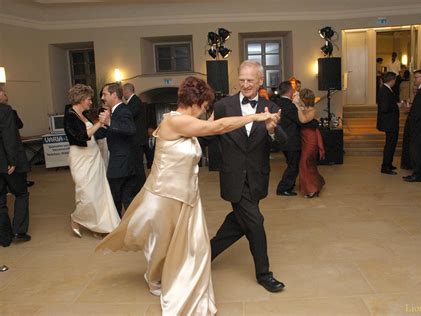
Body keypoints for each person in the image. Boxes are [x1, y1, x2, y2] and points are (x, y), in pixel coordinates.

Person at [96, 76, 277, 315]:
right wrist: (255, 116)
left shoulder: (188, 122)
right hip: (165, 197)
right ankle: (156, 279)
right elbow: (217, 127)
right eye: (204, 106)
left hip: (187, 197)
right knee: (162, 246)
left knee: (194, 248)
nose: (205, 112)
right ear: (196, 102)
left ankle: (185, 281)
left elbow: (213, 123)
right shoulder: (174, 121)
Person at [202, 60, 287, 293]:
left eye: (250, 80)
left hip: (257, 177)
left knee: (237, 223)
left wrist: (271, 130)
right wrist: (184, 130)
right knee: (255, 222)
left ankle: (203, 257)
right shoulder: (222, 106)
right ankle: (264, 274)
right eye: (242, 80)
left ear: (260, 81)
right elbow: (207, 135)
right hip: (233, 177)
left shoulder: (271, 106)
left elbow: (285, 142)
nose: (245, 84)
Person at [64, 84, 120, 237]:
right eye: (88, 99)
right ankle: (76, 217)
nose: (90, 102)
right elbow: (83, 135)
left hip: (94, 155)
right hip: (80, 158)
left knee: (99, 193)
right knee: (86, 194)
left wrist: (109, 125)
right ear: (81, 99)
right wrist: (100, 123)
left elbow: (98, 133)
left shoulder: (86, 114)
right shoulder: (69, 116)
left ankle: (98, 227)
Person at [96, 83, 136, 217]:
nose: (102, 97)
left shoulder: (123, 110)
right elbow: (105, 132)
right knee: (123, 198)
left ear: (114, 95)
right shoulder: (114, 111)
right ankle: (125, 229)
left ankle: (119, 228)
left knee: (117, 198)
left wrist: (109, 122)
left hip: (121, 163)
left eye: (105, 94)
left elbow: (130, 129)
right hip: (121, 162)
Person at [0, 101, 30, 246]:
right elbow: (8, 135)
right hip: (8, 163)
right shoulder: (5, 110)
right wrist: (12, 160)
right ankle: (19, 230)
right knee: (21, 194)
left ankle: (4, 237)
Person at [292, 88, 326, 198]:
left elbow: (303, 120)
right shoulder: (304, 108)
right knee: (309, 164)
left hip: (310, 139)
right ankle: (317, 183)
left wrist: (297, 106)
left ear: (304, 99)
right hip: (303, 139)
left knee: (304, 163)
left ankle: (312, 189)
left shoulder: (312, 110)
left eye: (301, 98)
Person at [276, 80, 301, 196]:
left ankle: (288, 185)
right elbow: (299, 121)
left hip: (282, 139)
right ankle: (283, 188)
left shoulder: (276, 103)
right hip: (291, 140)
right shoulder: (290, 105)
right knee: (293, 166)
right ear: (290, 91)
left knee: (291, 164)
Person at [123, 83, 147, 195]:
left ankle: (141, 187)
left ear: (127, 91)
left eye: (123, 92)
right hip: (137, 138)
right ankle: (138, 186)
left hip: (137, 139)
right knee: (137, 164)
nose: (122, 94)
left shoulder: (135, 102)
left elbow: (129, 116)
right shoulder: (134, 101)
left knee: (138, 164)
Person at [376, 72, 400, 175]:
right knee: (390, 145)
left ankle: (388, 164)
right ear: (392, 80)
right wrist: (396, 106)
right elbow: (384, 108)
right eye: (395, 80)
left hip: (390, 122)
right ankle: (385, 167)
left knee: (391, 144)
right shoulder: (385, 91)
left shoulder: (386, 90)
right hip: (389, 122)